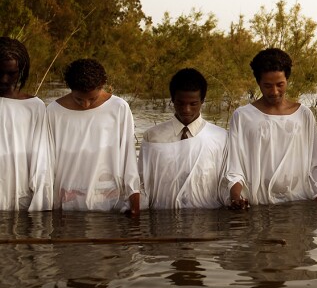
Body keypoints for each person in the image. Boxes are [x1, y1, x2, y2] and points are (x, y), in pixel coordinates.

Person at [223, 48, 317, 208]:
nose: (274, 91)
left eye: (280, 84)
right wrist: (236, 196)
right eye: (267, 85)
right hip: (258, 203)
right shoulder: (243, 116)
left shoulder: (303, 114)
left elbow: (314, 163)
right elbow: (234, 165)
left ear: (287, 80)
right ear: (258, 82)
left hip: (299, 203)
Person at [47, 58, 140, 214]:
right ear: (70, 89)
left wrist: (134, 200)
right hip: (67, 200)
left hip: (109, 199)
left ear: (101, 86)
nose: (86, 105)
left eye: (92, 98)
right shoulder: (54, 111)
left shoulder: (118, 107)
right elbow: (48, 162)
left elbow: (128, 157)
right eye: (79, 99)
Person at [140, 68, 226, 209]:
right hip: (163, 220)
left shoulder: (220, 137)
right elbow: (142, 183)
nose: (186, 110)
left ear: (203, 101)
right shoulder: (153, 137)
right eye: (180, 103)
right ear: (172, 100)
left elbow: (225, 183)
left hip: (206, 222)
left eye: (193, 104)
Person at [0, 37, 52, 211]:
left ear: (21, 70)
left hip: (19, 196)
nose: (4, 80)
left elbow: (40, 159)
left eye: (11, 73)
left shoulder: (33, 106)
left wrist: (39, 203)